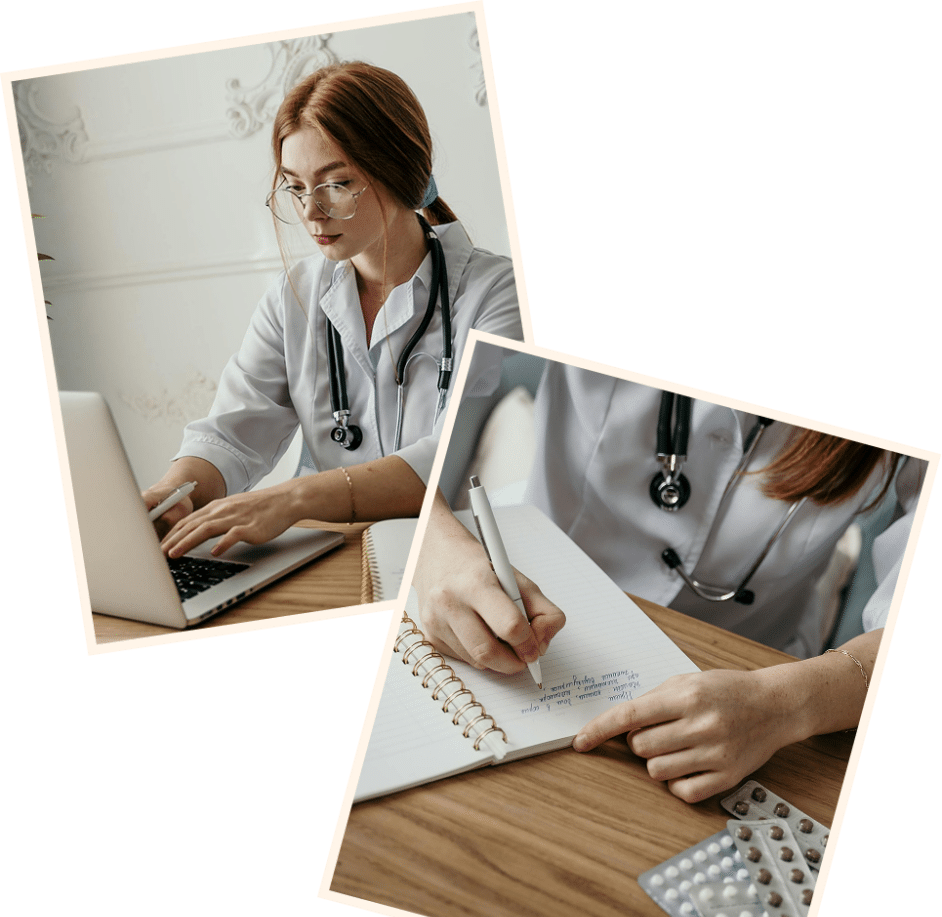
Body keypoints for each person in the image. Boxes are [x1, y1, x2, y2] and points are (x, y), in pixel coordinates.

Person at [413, 355, 925, 803]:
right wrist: (434, 545)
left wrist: (785, 705)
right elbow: (397, 404)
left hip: (750, 673)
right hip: (535, 612)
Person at [142, 62, 520, 559]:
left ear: (402, 170)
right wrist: (173, 495)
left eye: (336, 184)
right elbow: (231, 435)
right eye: (296, 187)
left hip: (457, 557)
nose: (310, 212)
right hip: (336, 555)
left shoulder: (498, 293)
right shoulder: (293, 297)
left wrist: (294, 498)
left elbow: (450, 460)